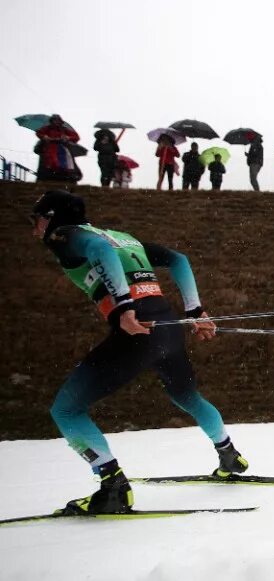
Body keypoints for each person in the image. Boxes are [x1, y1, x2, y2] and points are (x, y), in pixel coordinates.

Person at [29, 190, 248, 514]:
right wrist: (195, 312)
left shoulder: (65, 236)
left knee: (66, 410)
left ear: (51, 218)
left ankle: (112, 486)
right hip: (169, 328)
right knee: (187, 397)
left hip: (138, 331)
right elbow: (179, 259)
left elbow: (100, 250)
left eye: (35, 220)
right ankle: (229, 455)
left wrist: (123, 308)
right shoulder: (123, 237)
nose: (34, 228)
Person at [35, 114, 81, 183]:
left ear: (60, 121)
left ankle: (62, 179)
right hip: (49, 149)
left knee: (64, 166)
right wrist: (44, 136)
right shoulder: (47, 128)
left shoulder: (64, 129)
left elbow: (76, 137)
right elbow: (39, 133)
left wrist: (68, 138)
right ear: (51, 121)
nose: (56, 122)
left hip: (62, 150)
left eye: (57, 120)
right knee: (49, 165)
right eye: (54, 120)